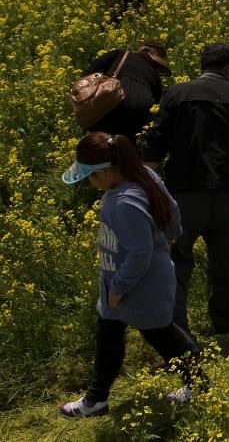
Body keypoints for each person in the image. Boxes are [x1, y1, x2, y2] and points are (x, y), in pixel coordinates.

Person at [58, 132, 199, 418]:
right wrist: (170, 237)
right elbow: (172, 211)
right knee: (108, 333)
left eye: (91, 178)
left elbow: (139, 253)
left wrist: (119, 287)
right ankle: (95, 399)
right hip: (131, 281)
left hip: (139, 287)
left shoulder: (122, 202)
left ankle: (199, 384)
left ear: (106, 172)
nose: (90, 184)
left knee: (165, 338)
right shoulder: (143, 175)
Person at [142, 42, 229, 335]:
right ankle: (226, 327)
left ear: (202, 67)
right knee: (222, 264)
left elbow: (154, 145)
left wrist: (150, 192)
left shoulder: (176, 94)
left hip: (185, 195)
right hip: (227, 196)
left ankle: (176, 338)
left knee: (177, 264)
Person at [81, 40, 172, 141]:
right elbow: (155, 102)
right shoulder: (155, 76)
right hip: (140, 110)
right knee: (127, 146)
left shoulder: (120, 54)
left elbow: (89, 74)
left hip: (111, 102)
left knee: (98, 142)